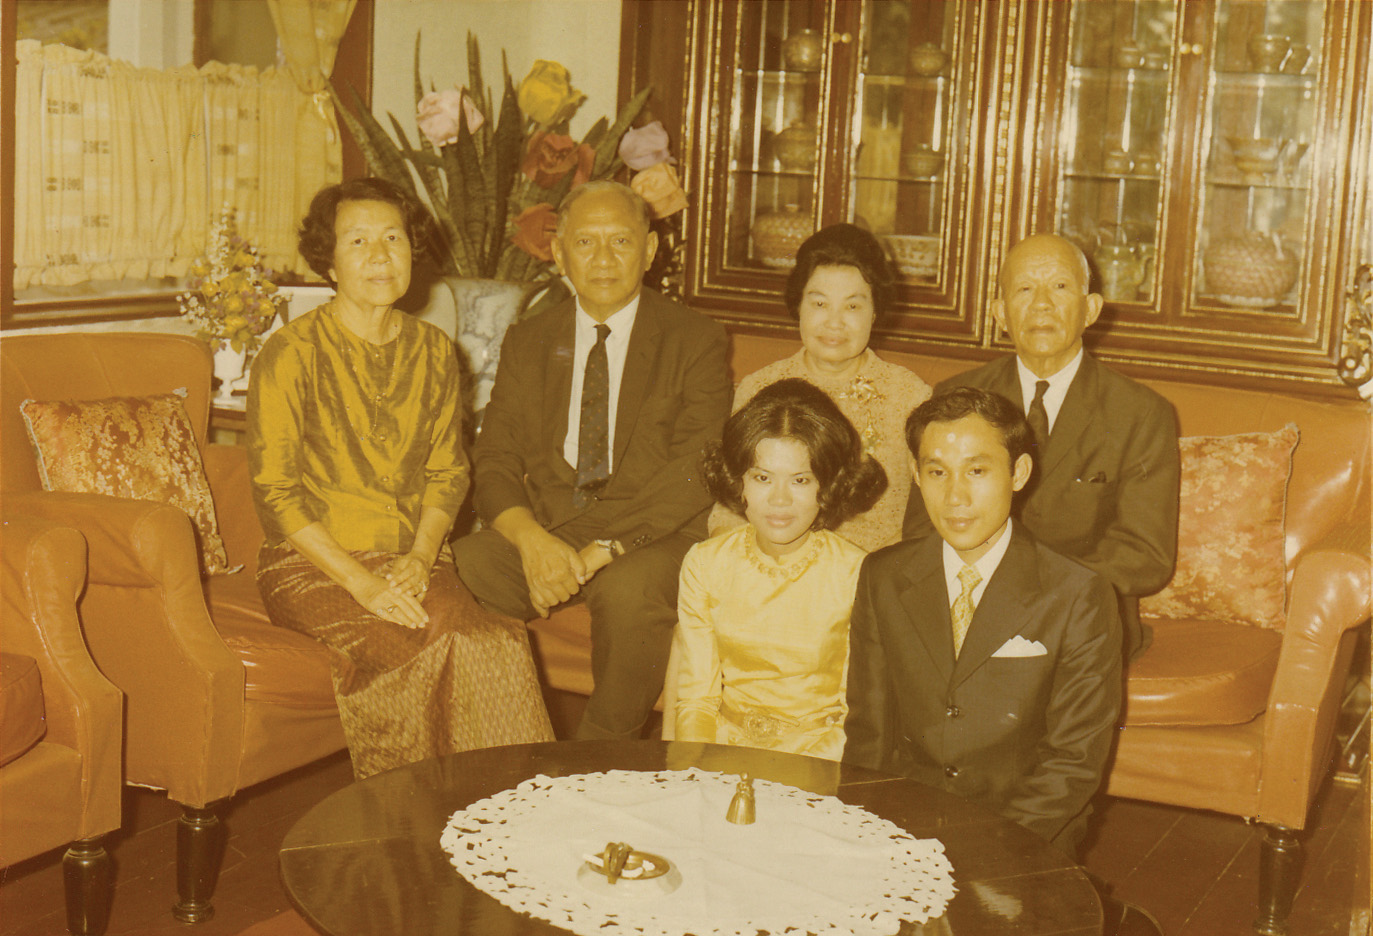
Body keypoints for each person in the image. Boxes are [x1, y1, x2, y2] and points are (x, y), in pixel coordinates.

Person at [248, 177, 553, 780]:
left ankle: (516, 812)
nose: (380, 255)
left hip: (415, 560)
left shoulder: (436, 351)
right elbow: (276, 493)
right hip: (314, 567)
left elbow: (448, 471)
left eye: (393, 238)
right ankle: (409, 818)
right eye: (357, 241)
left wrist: (420, 555)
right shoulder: (290, 353)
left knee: (495, 641)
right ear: (329, 263)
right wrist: (363, 585)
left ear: (413, 252)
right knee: (424, 649)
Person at [453, 181, 732, 741]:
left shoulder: (695, 338)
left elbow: (699, 467)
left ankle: (598, 758)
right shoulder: (529, 339)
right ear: (559, 254)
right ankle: (497, 742)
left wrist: (602, 550)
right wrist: (532, 542)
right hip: (554, 528)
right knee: (456, 571)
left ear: (650, 251)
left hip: (653, 534)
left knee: (629, 592)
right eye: (585, 242)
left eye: (621, 241)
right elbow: (495, 459)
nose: (603, 258)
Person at [845, 387, 1122, 855]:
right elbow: (869, 737)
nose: (955, 497)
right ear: (915, 474)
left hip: (1024, 835)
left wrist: (983, 852)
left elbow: (1071, 765)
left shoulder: (1077, 594)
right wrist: (867, 837)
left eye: (977, 471)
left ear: (1019, 473)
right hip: (905, 829)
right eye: (937, 472)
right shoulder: (883, 576)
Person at [903, 233, 1178, 659]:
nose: (1043, 304)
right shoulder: (955, 399)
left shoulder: (1140, 413)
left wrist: (1036, 589)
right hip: (970, 608)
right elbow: (922, 529)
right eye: (1025, 289)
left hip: (1082, 619)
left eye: (1060, 287)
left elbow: (1146, 555)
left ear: (1091, 310)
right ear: (1001, 314)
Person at [667, 378, 887, 761]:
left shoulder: (857, 575)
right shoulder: (706, 563)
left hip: (816, 761)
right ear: (738, 481)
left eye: (800, 480)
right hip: (721, 751)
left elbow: (854, 719)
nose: (779, 500)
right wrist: (696, 772)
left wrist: (788, 778)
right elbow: (696, 701)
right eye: (762, 478)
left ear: (828, 485)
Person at [711, 223, 931, 552]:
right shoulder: (758, 387)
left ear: (875, 312)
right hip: (771, 564)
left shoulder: (909, 396)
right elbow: (729, 506)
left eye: (852, 306)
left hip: (870, 569)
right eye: (819, 304)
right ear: (798, 305)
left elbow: (926, 517)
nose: (834, 322)